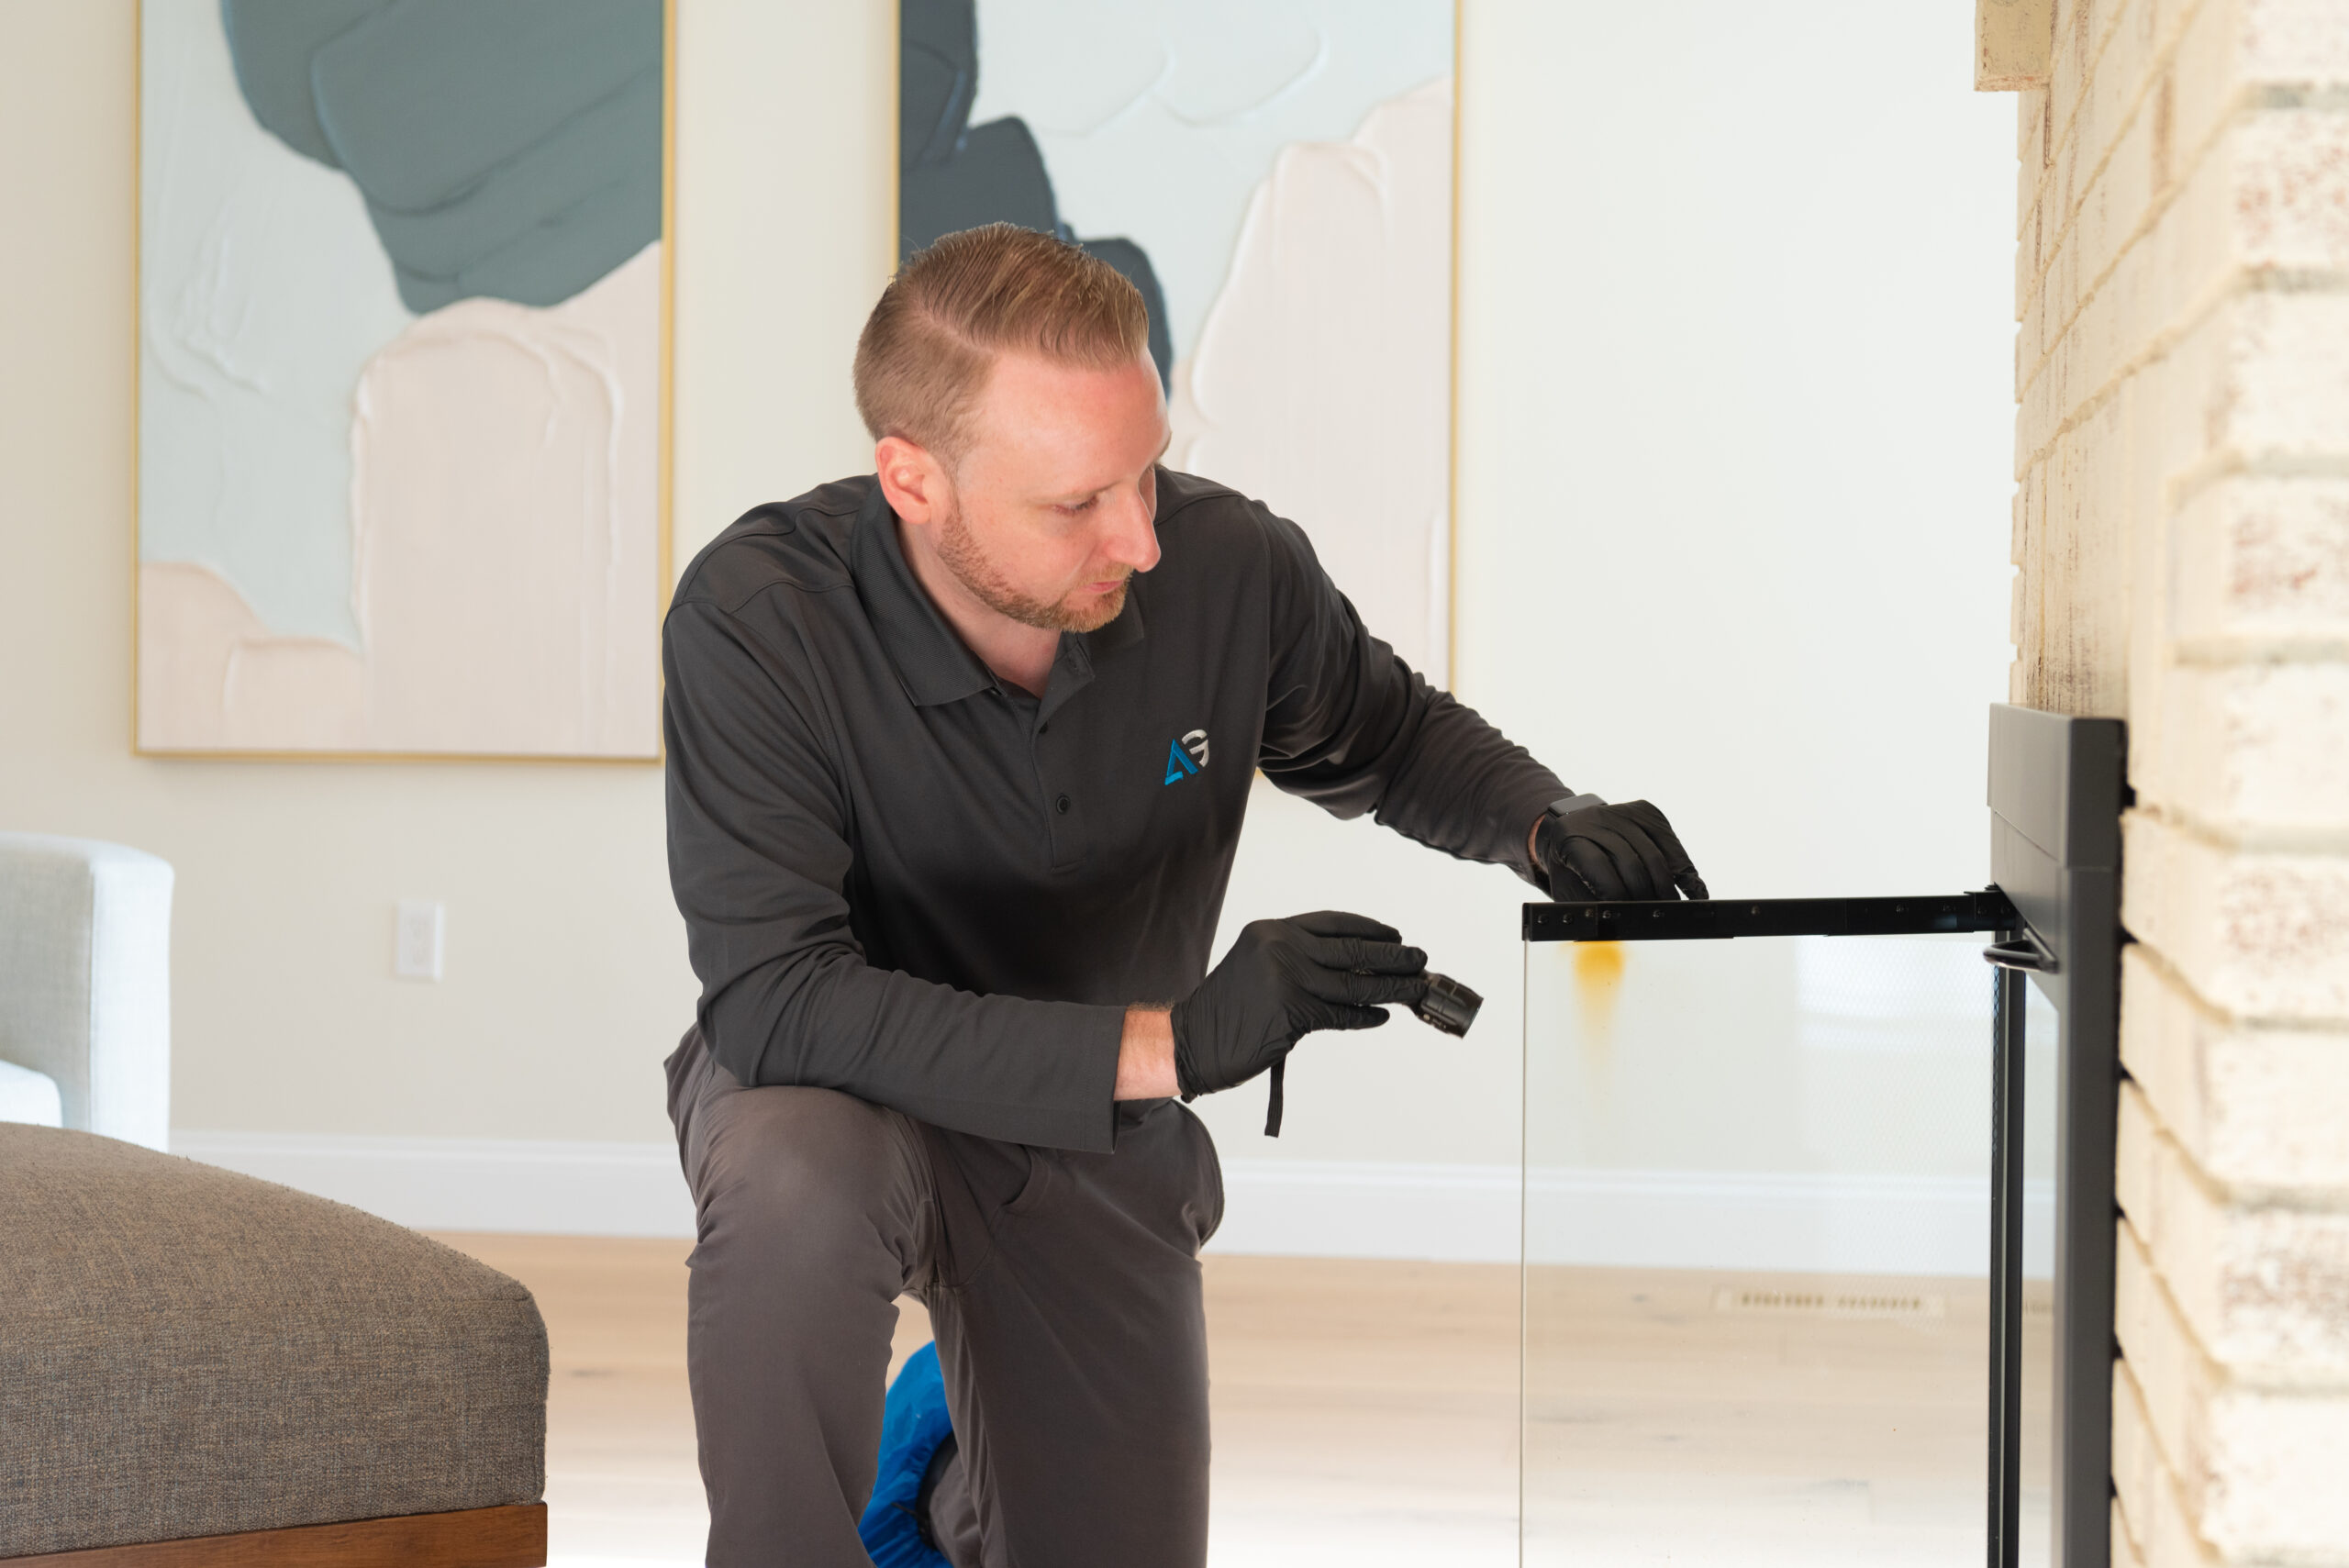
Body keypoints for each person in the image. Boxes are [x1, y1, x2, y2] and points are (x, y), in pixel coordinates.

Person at [661, 222, 1705, 1568]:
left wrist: (1543, 824)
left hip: (1091, 1143)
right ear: (912, 482)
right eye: (1079, 502)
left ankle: (942, 1474)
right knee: (792, 1169)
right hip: (848, 1102)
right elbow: (779, 1004)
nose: (1141, 538)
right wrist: (1185, 1041)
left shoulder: (1229, 567)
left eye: (1148, 470)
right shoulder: (759, 618)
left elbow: (1383, 734)